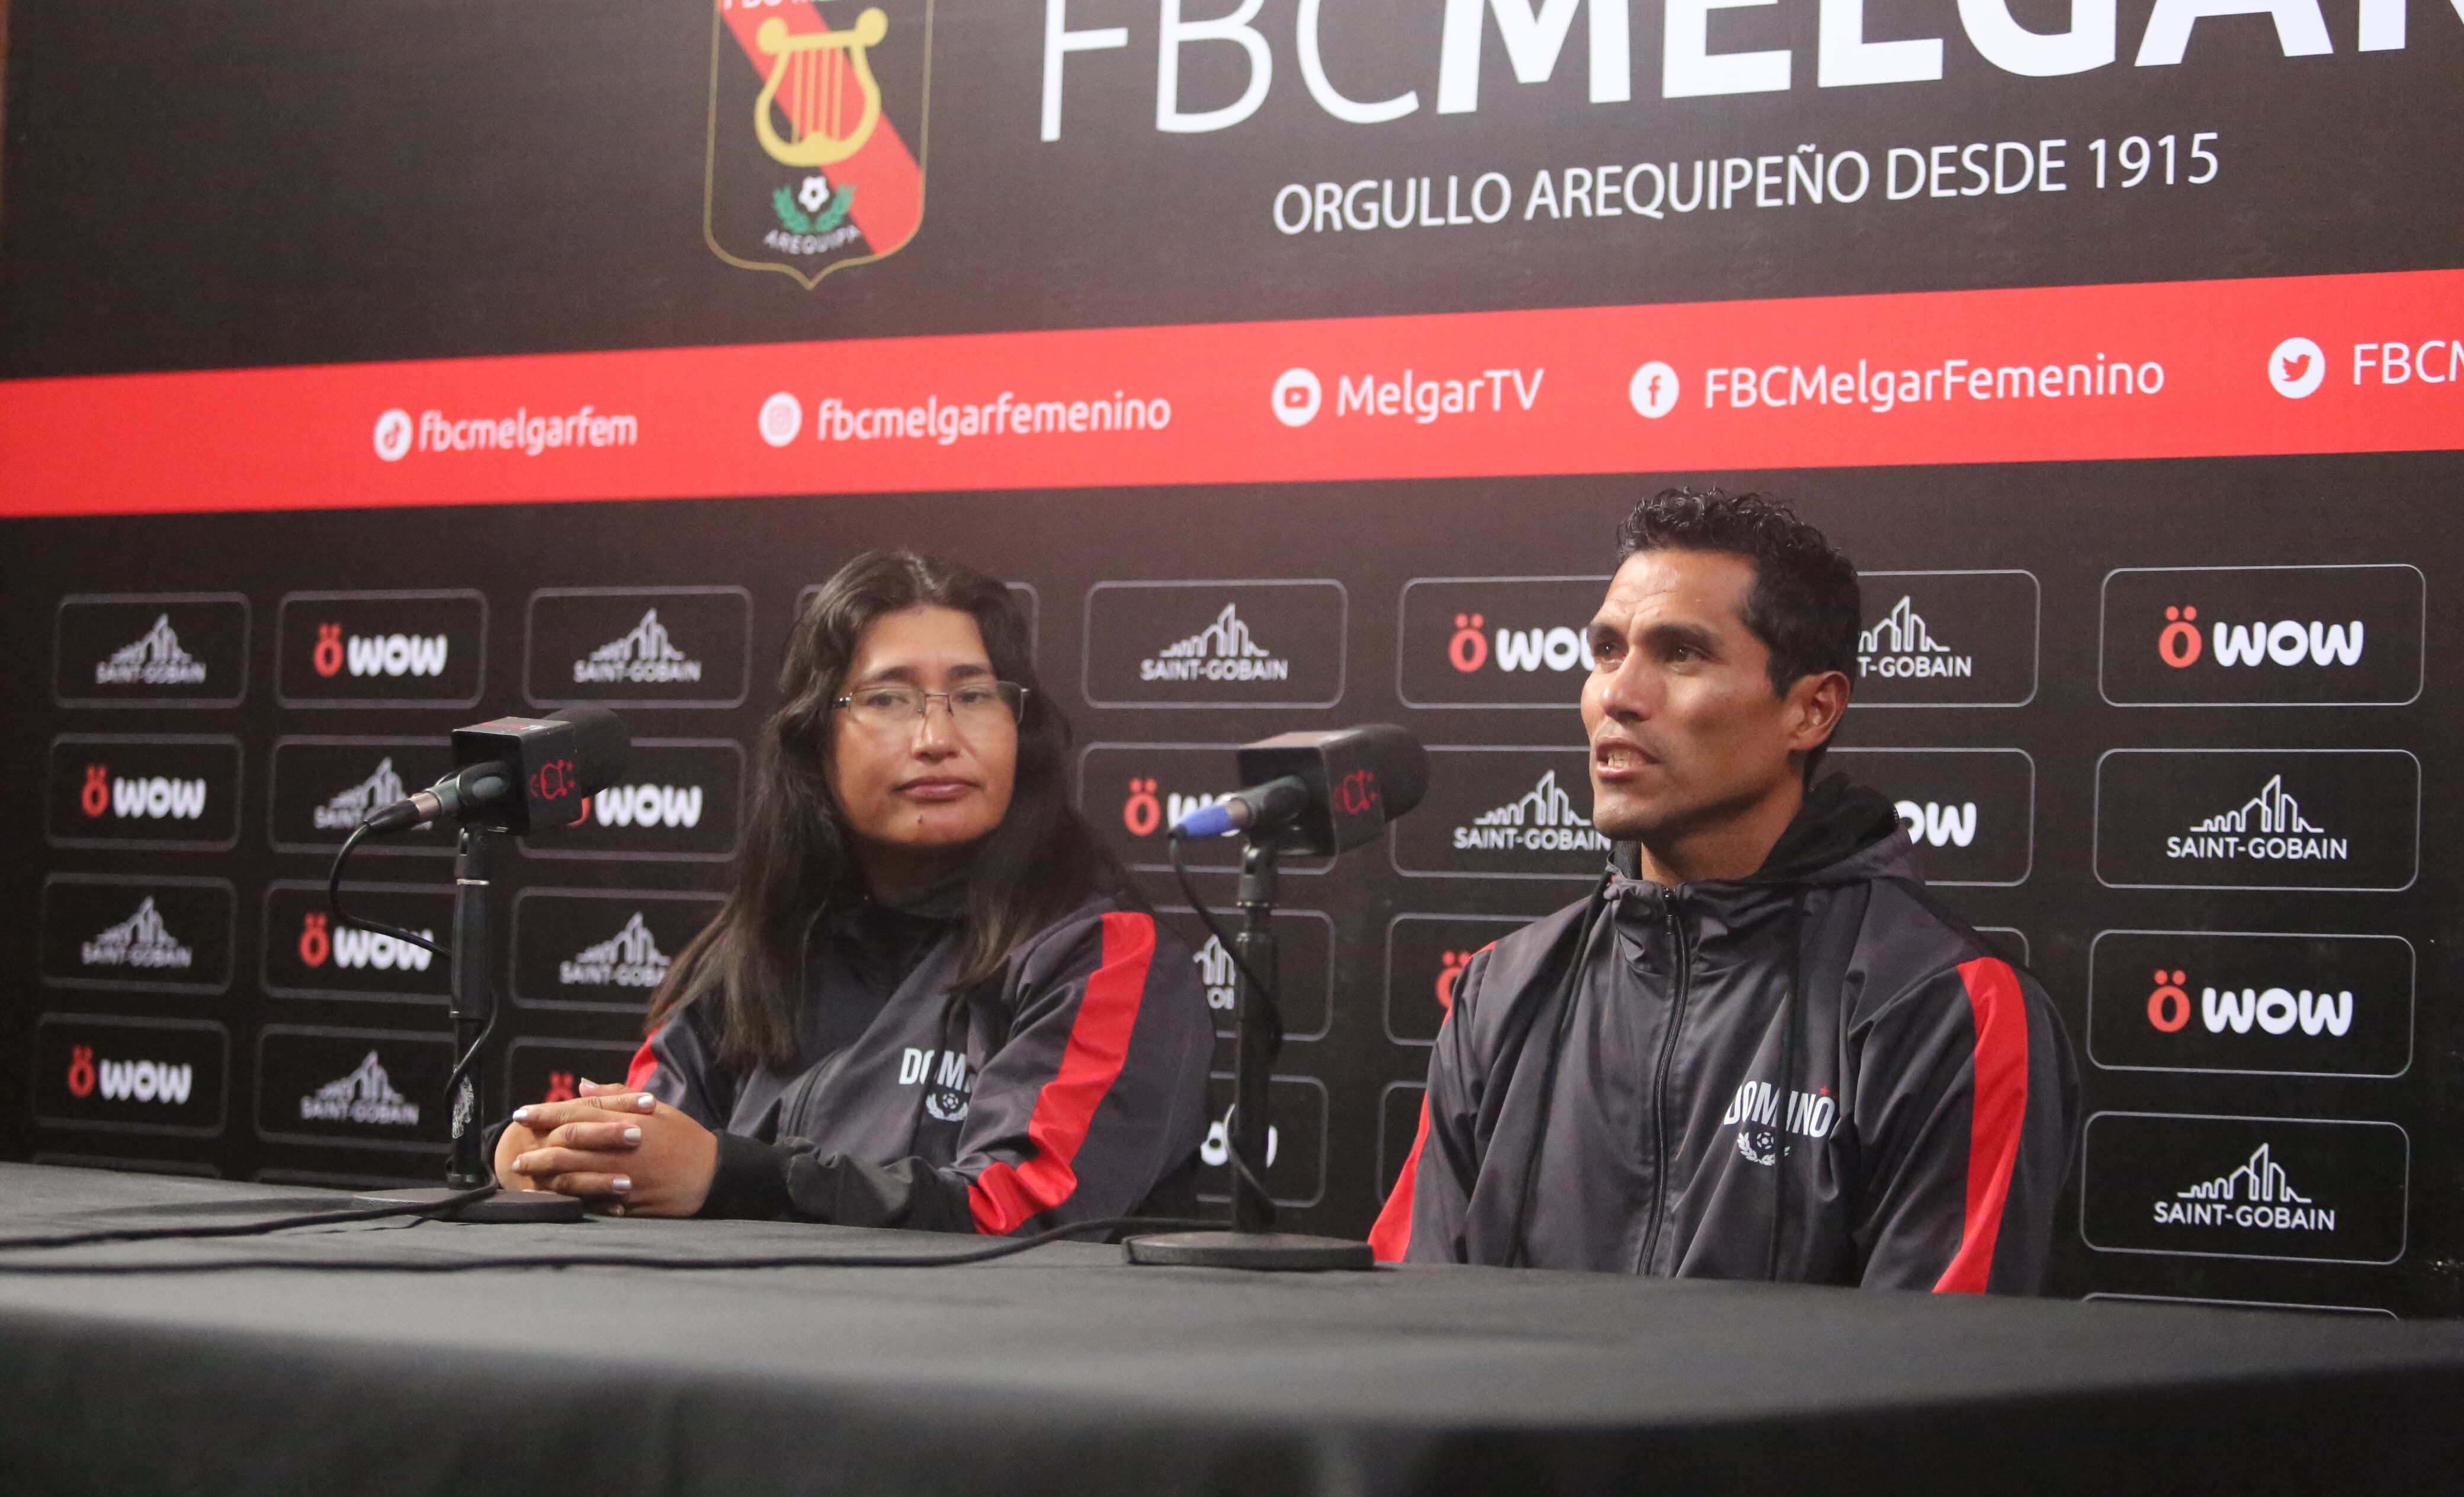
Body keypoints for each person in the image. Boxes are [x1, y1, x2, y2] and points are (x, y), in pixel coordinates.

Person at [1372, 490, 2078, 1290]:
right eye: (1607, 650)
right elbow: (1412, 1320)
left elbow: (1937, 1383)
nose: (1618, 695)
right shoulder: (1503, 990)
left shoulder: (1944, 1009)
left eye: (1680, 654)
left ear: (1811, 710)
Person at [495, 551, 1212, 1232]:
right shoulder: (760, 944)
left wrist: (738, 1178)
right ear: (815, 740)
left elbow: (1022, 1217)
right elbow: (649, 1152)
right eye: (889, 697)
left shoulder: (1102, 953)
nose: (936, 735)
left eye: (972, 694)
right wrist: (556, 1157)